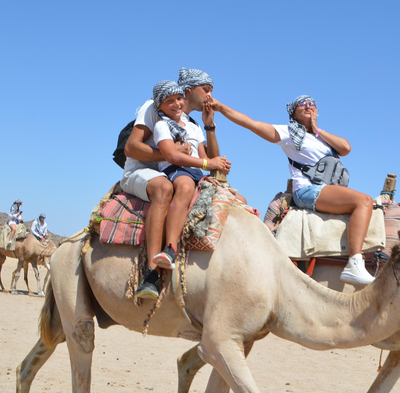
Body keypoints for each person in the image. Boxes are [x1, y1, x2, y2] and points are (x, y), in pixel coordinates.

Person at [208, 94, 375, 285]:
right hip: (308, 190)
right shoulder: (289, 133)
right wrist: (220, 107)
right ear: (293, 113)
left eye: (312, 104)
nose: (308, 106)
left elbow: (345, 148)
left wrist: (317, 129)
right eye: (302, 104)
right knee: (364, 201)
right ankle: (355, 262)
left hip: (327, 187)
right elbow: (251, 123)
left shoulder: (321, 137)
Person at [120, 69, 226, 299]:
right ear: (190, 90)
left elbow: (210, 160)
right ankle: (152, 273)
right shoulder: (153, 109)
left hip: (178, 169)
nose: (210, 97)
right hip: (143, 171)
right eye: (206, 90)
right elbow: (131, 148)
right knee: (165, 188)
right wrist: (172, 153)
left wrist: (210, 127)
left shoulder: (192, 124)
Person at [150, 80, 230, 271]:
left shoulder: (193, 127)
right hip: (175, 169)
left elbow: (205, 157)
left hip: (196, 171)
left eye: (178, 98)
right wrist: (207, 163)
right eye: (170, 101)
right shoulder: (162, 126)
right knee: (185, 187)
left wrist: (209, 125)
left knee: (235, 198)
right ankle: (170, 248)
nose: (177, 103)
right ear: (159, 105)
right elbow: (172, 156)